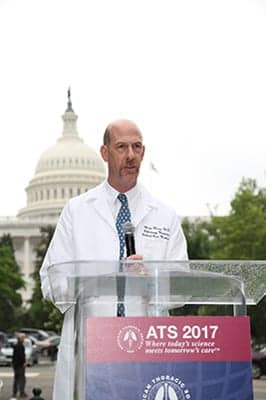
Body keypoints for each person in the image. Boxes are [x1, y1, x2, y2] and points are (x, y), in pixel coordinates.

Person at [40, 119, 188, 400]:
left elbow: (181, 285)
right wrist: (99, 279)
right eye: (121, 147)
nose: (130, 154)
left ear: (143, 153)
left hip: (147, 347)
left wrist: (151, 280)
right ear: (105, 153)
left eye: (136, 147)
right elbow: (50, 279)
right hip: (92, 347)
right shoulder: (77, 211)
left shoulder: (165, 215)